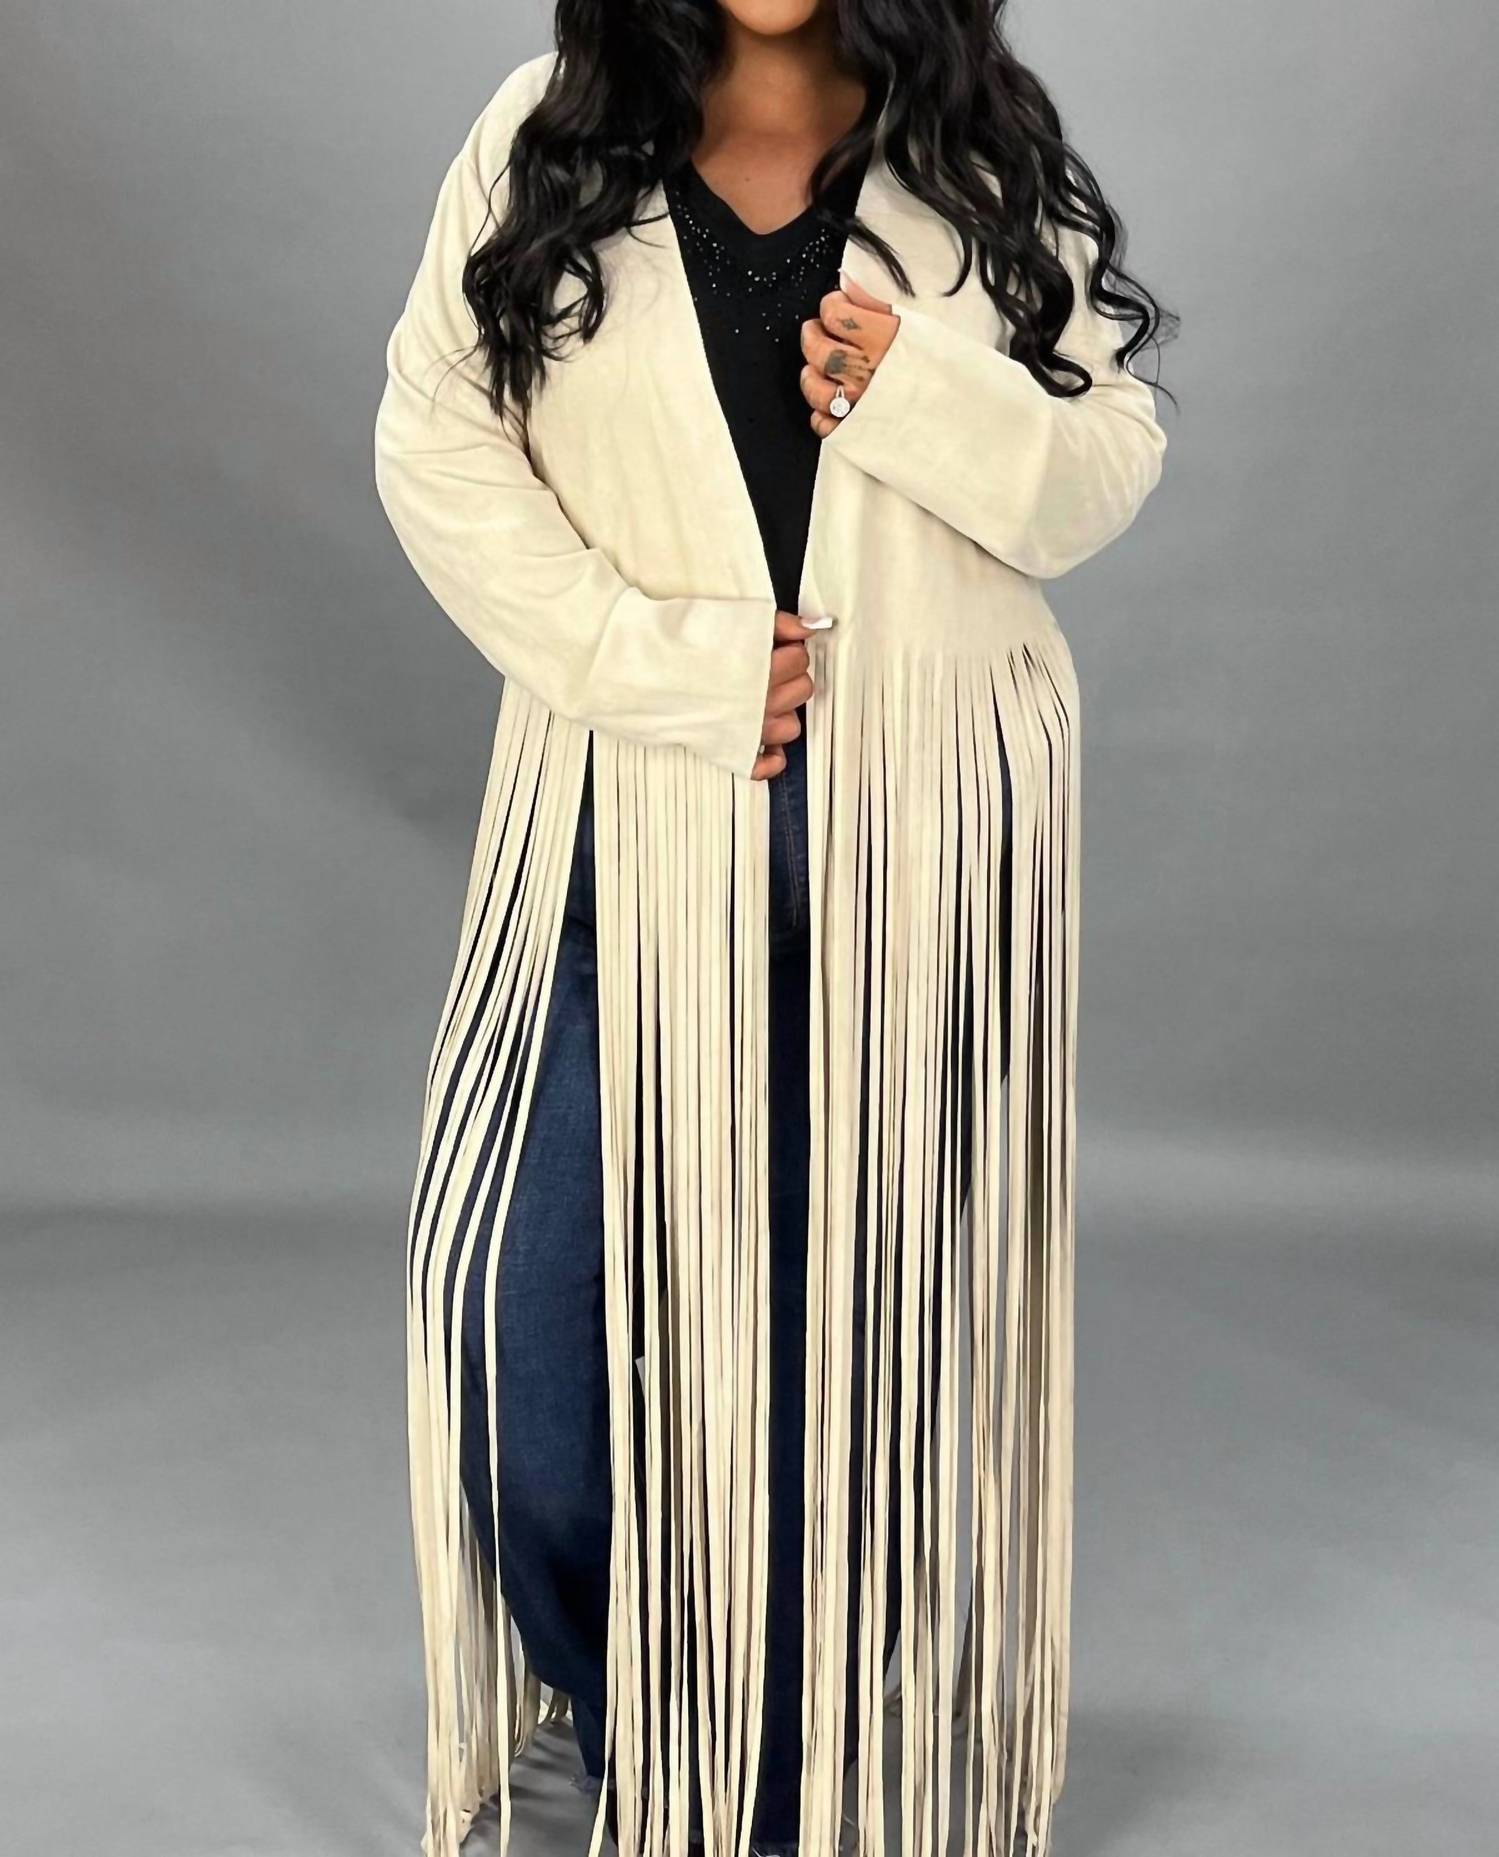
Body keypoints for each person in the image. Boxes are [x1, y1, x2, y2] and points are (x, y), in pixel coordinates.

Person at [373, 7, 1173, 1857]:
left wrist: (922, 388)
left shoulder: (969, 143)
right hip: (640, 806)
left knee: (825, 1348)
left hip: (912, 830)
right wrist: (666, 667)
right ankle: (650, 1695)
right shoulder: (550, 133)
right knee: (521, 1345)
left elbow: (1105, 457)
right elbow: (437, 445)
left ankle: (759, 1760)